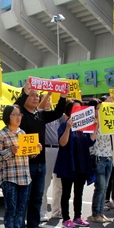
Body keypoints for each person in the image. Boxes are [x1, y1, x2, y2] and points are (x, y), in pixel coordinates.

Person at [15, 80, 67, 228]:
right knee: (24, 197)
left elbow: (58, 113)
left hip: (41, 162)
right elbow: (16, 104)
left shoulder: (41, 115)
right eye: (32, 95)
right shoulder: (20, 114)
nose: (36, 98)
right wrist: (24, 92)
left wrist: (63, 97)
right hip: (25, 162)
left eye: (37, 95)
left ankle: (33, 227)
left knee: (37, 196)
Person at [0, 105, 35, 228]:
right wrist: (10, 150)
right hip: (9, 177)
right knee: (11, 208)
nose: (18, 117)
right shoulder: (1, 134)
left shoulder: (23, 133)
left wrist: (36, 149)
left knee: (21, 208)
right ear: (8, 116)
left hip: (24, 176)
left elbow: (29, 154)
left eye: (20, 115)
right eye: (15, 114)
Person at [54, 99, 96, 228]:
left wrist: (96, 126)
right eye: (75, 109)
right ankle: (66, 218)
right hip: (68, 164)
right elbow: (62, 143)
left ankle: (77, 217)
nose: (79, 111)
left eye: (80, 108)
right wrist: (68, 128)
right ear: (69, 111)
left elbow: (90, 142)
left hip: (81, 164)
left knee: (79, 193)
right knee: (66, 193)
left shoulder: (84, 127)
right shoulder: (64, 125)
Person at [39, 93, 64, 221]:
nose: (48, 101)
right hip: (47, 149)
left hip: (58, 149)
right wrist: (48, 93)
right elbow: (40, 108)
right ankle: (42, 211)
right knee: (45, 183)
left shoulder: (56, 116)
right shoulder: (41, 115)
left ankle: (56, 210)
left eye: (49, 100)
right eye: (45, 100)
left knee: (59, 183)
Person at [88, 98, 113, 223]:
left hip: (108, 155)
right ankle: (95, 213)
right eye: (98, 108)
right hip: (97, 156)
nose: (100, 111)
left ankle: (101, 212)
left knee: (105, 186)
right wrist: (95, 125)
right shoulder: (90, 121)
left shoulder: (107, 120)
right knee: (100, 186)